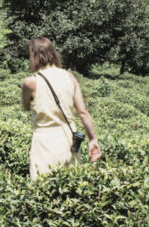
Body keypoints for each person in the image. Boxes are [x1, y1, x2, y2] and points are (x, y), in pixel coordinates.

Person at [21, 37, 102, 179]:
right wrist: (92, 139)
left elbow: (26, 107)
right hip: (69, 139)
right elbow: (83, 112)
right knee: (70, 187)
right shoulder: (69, 77)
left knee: (41, 188)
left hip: (44, 140)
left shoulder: (30, 82)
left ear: (33, 56)